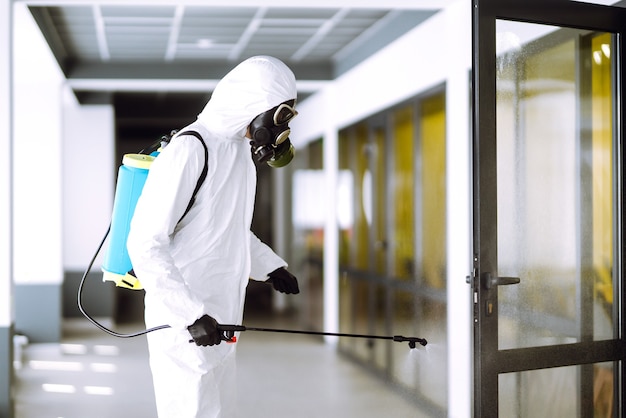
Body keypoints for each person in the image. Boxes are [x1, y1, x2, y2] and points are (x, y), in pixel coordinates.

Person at [126, 55, 300, 418]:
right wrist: (189, 313)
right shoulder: (191, 149)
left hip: (221, 316)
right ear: (251, 103)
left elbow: (227, 229)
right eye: (278, 115)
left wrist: (270, 267)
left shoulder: (238, 151)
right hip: (184, 322)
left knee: (219, 411)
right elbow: (145, 242)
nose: (279, 127)